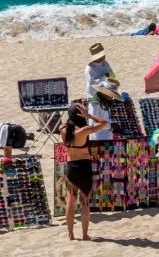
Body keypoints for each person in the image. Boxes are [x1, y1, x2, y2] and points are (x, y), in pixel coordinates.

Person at [60, 103, 108, 241]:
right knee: (85, 202)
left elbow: (67, 122)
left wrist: (74, 114)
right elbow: (104, 123)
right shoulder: (84, 131)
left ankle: (70, 234)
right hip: (84, 168)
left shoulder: (63, 129)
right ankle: (85, 234)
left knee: (70, 201)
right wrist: (89, 115)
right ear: (80, 115)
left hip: (71, 168)